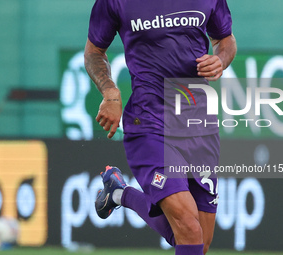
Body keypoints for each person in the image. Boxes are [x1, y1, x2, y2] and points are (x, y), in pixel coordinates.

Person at [84, 0, 237, 254]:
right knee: (188, 226)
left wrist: (220, 59)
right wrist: (110, 92)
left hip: (199, 125)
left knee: (201, 241)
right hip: (148, 123)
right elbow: (93, 52)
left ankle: (120, 193)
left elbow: (226, 40)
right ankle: (120, 193)